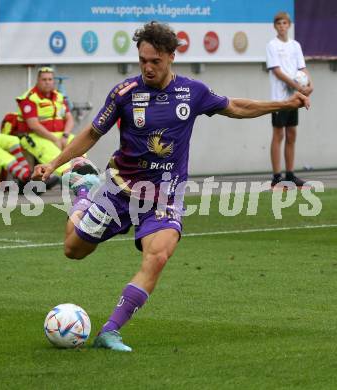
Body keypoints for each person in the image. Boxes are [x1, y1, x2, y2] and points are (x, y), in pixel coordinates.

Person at [33, 21, 310, 352]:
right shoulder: (124, 93)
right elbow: (92, 133)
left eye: (155, 61)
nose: (148, 68)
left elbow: (235, 107)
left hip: (164, 195)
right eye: (143, 60)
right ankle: (83, 192)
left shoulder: (192, 92)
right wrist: (54, 164)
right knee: (74, 250)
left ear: (170, 57)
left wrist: (284, 104)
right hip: (119, 188)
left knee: (159, 255)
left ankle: (110, 331)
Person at [266, 11, 313, 187]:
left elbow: (303, 68)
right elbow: (277, 71)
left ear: (289, 25)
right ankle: (277, 176)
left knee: (291, 134)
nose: (282, 26)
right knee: (278, 134)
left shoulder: (295, 45)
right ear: (275, 26)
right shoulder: (272, 45)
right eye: (279, 23)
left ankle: (290, 174)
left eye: (285, 23)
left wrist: (310, 84)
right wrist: (297, 86)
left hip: (295, 97)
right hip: (279, 99)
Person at [16, 66, 75, 176]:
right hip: (35, 136)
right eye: (44, 79)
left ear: (53, 81)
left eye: (50, 79)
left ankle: (84, 174)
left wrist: (65, 136)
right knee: (52, 154)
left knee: (79, 145)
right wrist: (55, 139)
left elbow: (70, 119)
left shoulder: (59, 97)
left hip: (61, 134)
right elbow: (33, 125)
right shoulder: (29, 98)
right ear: (38, 81)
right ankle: (72, 179)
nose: (47, 82)